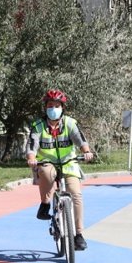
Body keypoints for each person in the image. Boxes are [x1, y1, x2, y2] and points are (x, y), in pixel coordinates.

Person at [26, 89, 94, 251]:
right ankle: (45, 204)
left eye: (57, 106)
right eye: (50, 105)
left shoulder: (70, 123)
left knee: (76, 195)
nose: (53, 109)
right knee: (47, 174)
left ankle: (78, 235)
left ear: (62, 108)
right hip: (47, 163)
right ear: (45, 107)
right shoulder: (38, 126)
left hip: (68, 163)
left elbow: (80, 140)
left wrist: (86, 152)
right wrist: (31, 158)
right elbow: (31, 146)